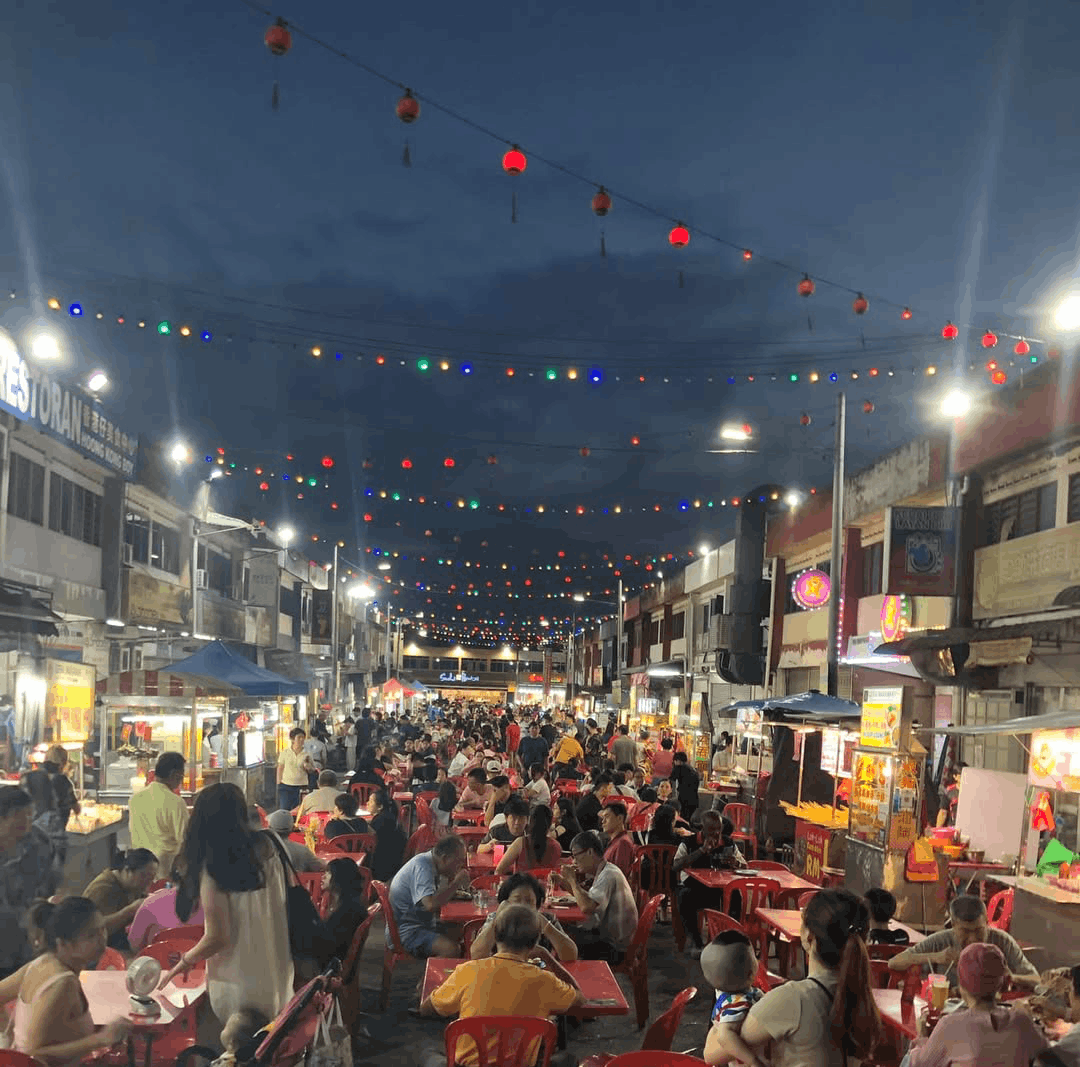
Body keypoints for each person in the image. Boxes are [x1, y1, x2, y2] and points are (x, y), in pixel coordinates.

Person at [162, 782, 293, 1033]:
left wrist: (184, 962)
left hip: (237, 981)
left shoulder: (214, 866)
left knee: (237, 1048)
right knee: (268, 1047)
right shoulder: (272, 844)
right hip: (278, 970)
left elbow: (218, 937)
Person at [706, 888, 883, 1067]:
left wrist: (726, 1002)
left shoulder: (792, 999)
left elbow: (712, 1054)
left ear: (809, 936)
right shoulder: (861, 997)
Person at [420, 904, 584, 1067]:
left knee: (428, 1053)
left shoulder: (468, 971)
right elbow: (579, 999)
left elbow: (426, 1009)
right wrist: (548, 958)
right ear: (534, 944)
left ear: (495, 937)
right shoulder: (545, 980)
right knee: (567, 1059)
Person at [0, 897, 132, 1066]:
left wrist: (10, 1038)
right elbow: (34, 1054)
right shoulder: (63, 985)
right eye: (91, 935)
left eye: (103, 930)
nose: (102, 939)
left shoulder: (41, 963)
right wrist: (101, 1039)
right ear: (63, 944)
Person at [907, 942, 1047, 1067]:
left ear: (961, 985)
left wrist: (922, 1036)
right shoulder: (1022, 1022)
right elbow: (1047, 1053)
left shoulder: (951, 1026)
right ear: (1001, 983)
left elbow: (918, 1063)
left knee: (908, 1060)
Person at [888, 894, 1039, 990]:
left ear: (987, 923)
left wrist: (1012, 978)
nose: (973, 939)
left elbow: (1037, 980)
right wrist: (936, 957)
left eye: (979, 930)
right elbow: (894, 963)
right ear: (953, 926)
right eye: (965, 932)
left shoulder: (1003, 941)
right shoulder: (942, 941)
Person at [0, 787, 61, 978]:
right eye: (20, 815)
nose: (27, 820)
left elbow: (50, 887)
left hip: (28, 945)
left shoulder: (39, 843)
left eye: (29, 814)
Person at [555, 831, 637, 963]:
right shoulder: (606, 870)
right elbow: (588, 900)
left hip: (614, 947)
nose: (574, 861)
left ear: (590, 852)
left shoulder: (608, 875)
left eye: (576, 856)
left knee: (556, 932)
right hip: (609, 938)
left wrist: (572, 880)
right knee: (557, 928)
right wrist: (563, 881)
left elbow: (587, 907)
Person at [387, 835, 471, 958]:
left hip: (420, 921)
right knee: (452, 950)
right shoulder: (423, 867)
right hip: (407, 930)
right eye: (458, 862)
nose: (461, 866)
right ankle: (427, 977)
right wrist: (456, 883)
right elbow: (430, 905)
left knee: (461, 930)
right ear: (444, 858)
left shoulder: (429, 861)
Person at [469, 873, 578, 962]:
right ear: (505, 902)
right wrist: (497, 920)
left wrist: (546, 926)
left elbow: (571, 956)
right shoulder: (496, 918)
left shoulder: (547, 919)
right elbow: (476, 955)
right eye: (517, 900)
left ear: (538, 904)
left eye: (529, 901)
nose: (522, 906)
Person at [676, 812, 745, 952]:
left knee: (736, 895)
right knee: (684, 895)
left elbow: (744, 865)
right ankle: (695, 941)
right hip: (696, 887)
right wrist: (701, 851)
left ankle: (729, 939)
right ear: (703, 828)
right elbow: (676, 865)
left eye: (719, 829)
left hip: (720, 889)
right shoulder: (689, 842)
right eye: (712, 830)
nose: (716, 833)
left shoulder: (728, 843)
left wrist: (735, 863)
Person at [701, 930, 764, 1067]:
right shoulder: (737, 1003)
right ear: (750, 972)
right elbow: (725, 1036)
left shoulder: (727, 995)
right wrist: (753, 1061)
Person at [83, 848, 159, 950]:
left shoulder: (132, 885)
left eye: (151, 878)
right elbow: (94, 930)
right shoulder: (103, 888)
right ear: (127, 870)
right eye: (143, 876)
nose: (147, 883)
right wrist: (130, 910)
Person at [128, 751, 189, 878]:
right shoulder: (176, 802)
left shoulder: (135, 799)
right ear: (174, 775)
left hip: (139, 869)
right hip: (165, 870)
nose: (181, 782)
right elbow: (186, 840)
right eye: (181, 777)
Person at [127, 862, 206, 952]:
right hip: (201, 964)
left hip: (159, 964)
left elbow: (134, 946)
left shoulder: (151, 902)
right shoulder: (218, 908)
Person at [307, 858, 369, 968]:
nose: (323, 876)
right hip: (332, 961)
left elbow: (327, 946)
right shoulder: (348, 903)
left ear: (340, 878)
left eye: (329, 872)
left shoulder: (348, 911)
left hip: (329, 968)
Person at [497, 804, 562, 874]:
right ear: (550, 824)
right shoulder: (557, 846)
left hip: (522, 884)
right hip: (546, 884)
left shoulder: (521, 843)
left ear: (529, 822)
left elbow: (499, 869)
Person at [366, 787, 407, 882]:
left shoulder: (381, 822)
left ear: (380, 807)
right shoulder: (387, 816)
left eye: (371, 801)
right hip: (393, 861)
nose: (367, 803)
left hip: (383, 867)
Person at [277, 728, 315, 811]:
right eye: (299, 737)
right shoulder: (285, 752)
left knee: (300, 810)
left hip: (302, 786)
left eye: (303, 738)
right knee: (285, 809)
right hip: (286, 785)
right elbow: (280, 768)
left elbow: (313, 769)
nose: (301, 740)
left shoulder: (307, 754)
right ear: (292, 739)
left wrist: (309, 768)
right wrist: (279, 783)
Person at [599, 801, 636, 879]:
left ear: (619, 818)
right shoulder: (616, 841)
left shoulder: (623, 843)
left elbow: (618, 877)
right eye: (603, 818)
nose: (603, 821)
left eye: (607, 817)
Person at [670, 750, 701, 822]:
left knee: (682, 820)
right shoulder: (692, 769)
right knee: (687, 820)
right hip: (694, 800)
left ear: (677, 760)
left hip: (684, 800)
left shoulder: (678, 768)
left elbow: (671, 780)